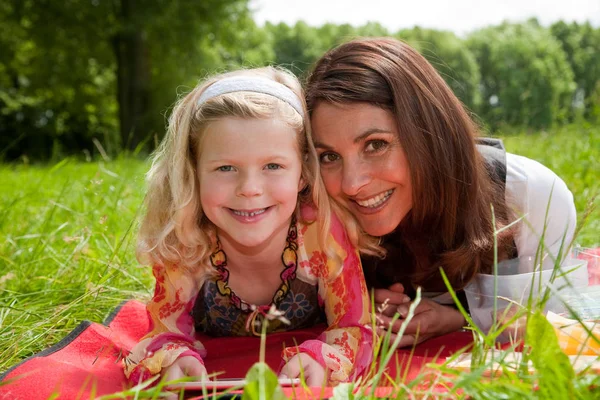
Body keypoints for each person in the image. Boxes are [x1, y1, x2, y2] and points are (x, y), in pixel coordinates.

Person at [305, 37, 577, 346]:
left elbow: (559, 324)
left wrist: (461, 320)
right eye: (329, 156)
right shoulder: (310, 212)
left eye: (376, 145)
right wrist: (346, 299)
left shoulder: (530, 195)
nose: (352, 183)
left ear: (430, 133)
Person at [123, 67, 373, 386]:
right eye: (226, 167)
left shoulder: (321, 232)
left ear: (302, 173)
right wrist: (174, 357)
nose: (250, 188)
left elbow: (355, 329)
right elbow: (164, 330)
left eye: (273, 166)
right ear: (193, 173)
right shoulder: (187, 236)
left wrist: (323, 358)